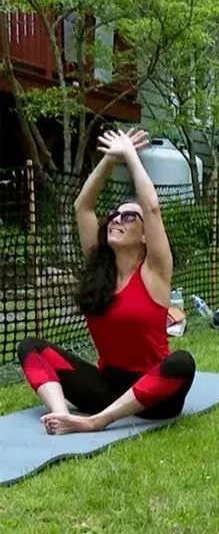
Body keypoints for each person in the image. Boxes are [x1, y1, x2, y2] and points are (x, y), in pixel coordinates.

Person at [18, 129, 196, 434]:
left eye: (129, 218)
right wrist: (109, 160)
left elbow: (151, 208)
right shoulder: (99, 266)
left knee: (182, 362)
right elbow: (82, 207)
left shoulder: (154, 270)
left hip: (154, 395)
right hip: (105, 387)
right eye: (114, 215)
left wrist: (130, 154)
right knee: (31, 347)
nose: (117, 219)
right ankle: (63, 415)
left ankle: (96, 422)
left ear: (144, 236)